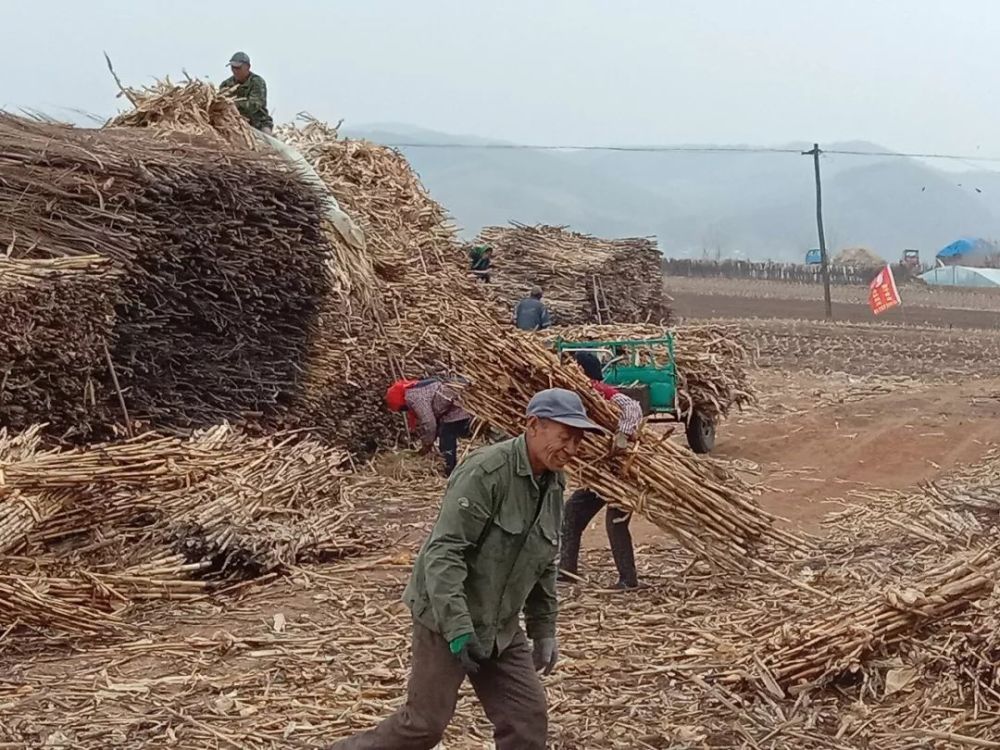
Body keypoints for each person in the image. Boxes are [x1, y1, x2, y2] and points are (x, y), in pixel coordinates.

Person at [329, 389, 604, 750]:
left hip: (499, 622)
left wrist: (544, 628)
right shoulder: (487, 472)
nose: (571, 449)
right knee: (424, 725)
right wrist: (458, 629)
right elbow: (443, 553)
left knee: (526, 719)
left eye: (578, 440)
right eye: (565, 437)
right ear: (533, 426)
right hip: (447, 616)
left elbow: (542, 560)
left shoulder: (552, 482)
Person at [559, 351, 644, 589]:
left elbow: (633, 407)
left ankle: (628, 580)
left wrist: (623, 435)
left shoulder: (597, 390)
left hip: (622, 470)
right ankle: (566, 571)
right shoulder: (575, 395)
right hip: (602, 472)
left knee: (616, 522)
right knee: (572, 513)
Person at [385, 376, 473, 476]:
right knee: (445, 433)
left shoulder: (413, 398)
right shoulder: (413, 390)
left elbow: (429, 422)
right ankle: (450, 466)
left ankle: (450, 470)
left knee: (447, 436)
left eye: (400, 409)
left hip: (457, 406)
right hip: (451, 404)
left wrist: (426, 445)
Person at [220, 51, 274, 134]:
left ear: (248, 67)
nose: (235, 71)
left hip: (258, 123)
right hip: (234, 123)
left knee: (268, 142)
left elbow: (254, 104)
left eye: (238, 68)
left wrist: (232, 104)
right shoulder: (226, 85)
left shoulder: (257, 82)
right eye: (233, 67)